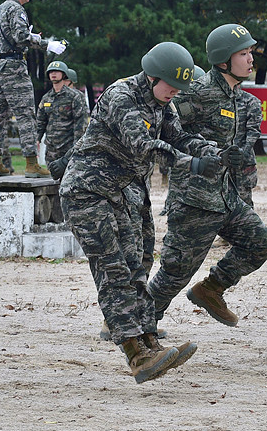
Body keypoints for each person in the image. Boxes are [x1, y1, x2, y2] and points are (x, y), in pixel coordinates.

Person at [60, 42, 213, 383]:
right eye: (171, 85)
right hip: (87, 192)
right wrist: (193, 164)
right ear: (152, 75)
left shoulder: (162, 102)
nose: (175, 92)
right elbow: (144, 146)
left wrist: (213, 152)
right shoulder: (122, 96)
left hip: (121, 193)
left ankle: (150, 342)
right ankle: (135, 353)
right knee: (113, 270)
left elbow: (179, 137)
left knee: (136, 269)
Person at [148, 24, 267, 331]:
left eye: (250, 53)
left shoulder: (236, 97)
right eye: (243, 54)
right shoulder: (198, 92)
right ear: (222, 61)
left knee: (258, 243)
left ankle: (212, 288)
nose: (250, 59)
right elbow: (168, 129)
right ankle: (132, 324)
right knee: (175, 272)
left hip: (226, 196)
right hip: (194, 198)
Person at [0, 0, 67, 177]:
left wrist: (29, 36)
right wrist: (48, 44)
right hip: (14, 68)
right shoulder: (16, 9)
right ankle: (32, 164)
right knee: (26, 115)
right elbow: (21, 37)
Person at [36, 60, 88, 164]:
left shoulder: (74, 96)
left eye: (57, 71)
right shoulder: (46, 98)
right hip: (51, 149)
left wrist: (76, 146)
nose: (53, 74)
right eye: (51, 72)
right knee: (52, 178)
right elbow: (41, 121)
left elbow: (80, 123)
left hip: (68, 148)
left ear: (64, 74)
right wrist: (37, 139)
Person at [233, 87, 262, 207]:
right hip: (220, 158)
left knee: (244, 203)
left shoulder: (250, 101)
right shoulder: (215, 101)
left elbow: (254, 130)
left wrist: (243, 152)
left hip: (243, 161)